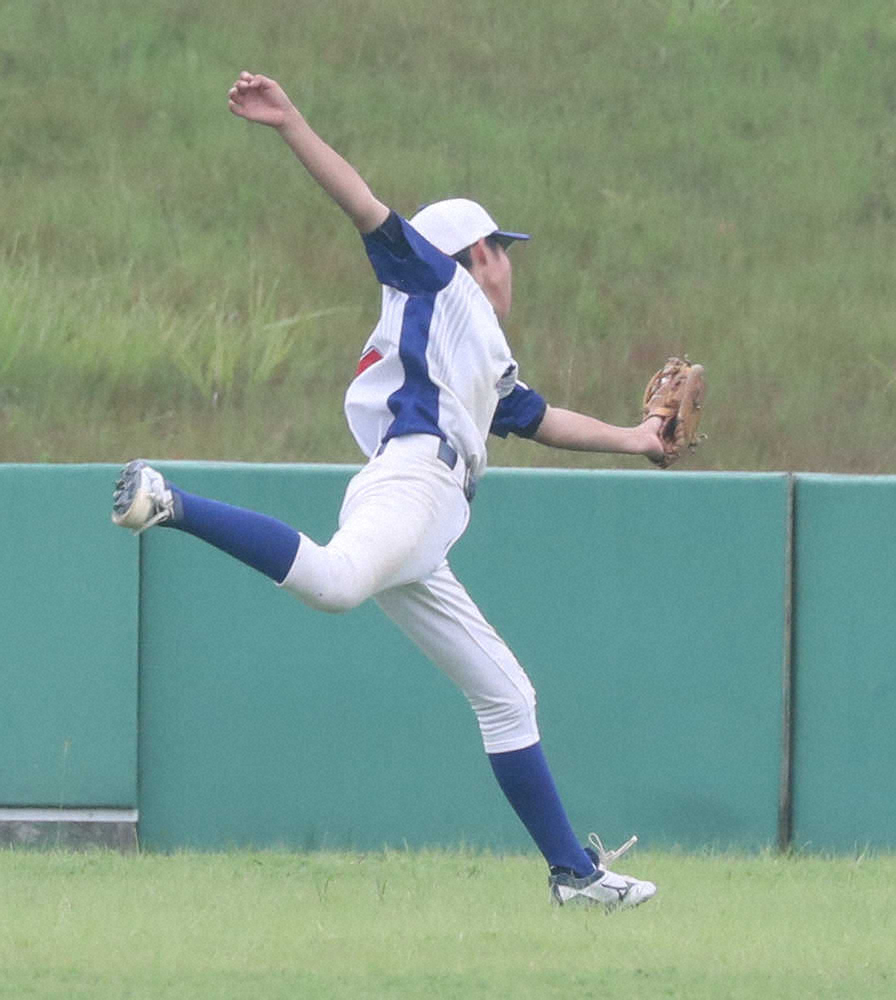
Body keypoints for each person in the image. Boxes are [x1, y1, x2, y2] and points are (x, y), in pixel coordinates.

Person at [112, 71, 665, 909]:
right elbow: (363, 204)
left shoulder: (478, 347)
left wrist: (638, 437)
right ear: (477, 253)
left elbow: (537, 416)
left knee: (507, 697)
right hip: (412, 483)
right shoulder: (437, 281)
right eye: (502, 249)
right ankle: (168, 499)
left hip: (426, 512)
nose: (509, 265)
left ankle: (575, 877)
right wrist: (291, 122)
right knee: (335, 583)